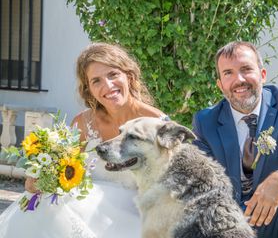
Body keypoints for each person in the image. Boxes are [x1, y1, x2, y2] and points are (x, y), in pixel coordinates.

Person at [0, 43, 165, 238]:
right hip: (80, 205)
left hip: (130, 216)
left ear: (128, 75)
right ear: (89, 90)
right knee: (43, 205)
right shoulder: (83, 123)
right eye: (96, 81)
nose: (108, 85)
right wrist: (41, 179)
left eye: (113, 74)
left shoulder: (156, 124)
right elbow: (63, 170)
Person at [192, 41, 278, 238]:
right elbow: (203, 184)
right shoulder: (205, 121)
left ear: (262, 74)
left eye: (246, 69)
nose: (239, 79)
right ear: (220, 85)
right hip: (234, 220)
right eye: (228, 73)